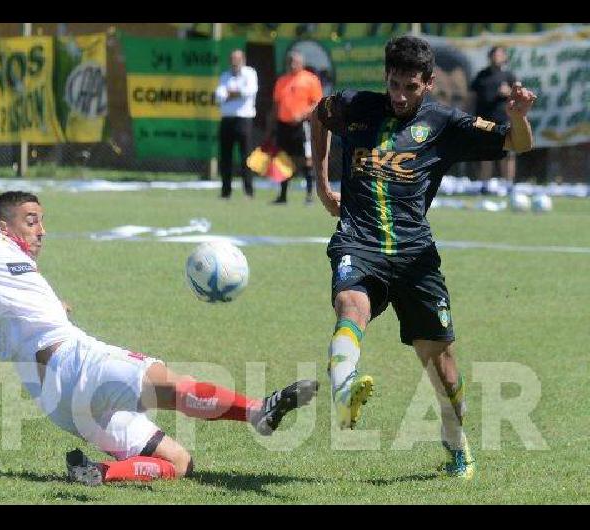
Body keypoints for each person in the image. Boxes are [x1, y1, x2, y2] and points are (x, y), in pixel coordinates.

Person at [0, 191, 318, 486]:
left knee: (179, 463)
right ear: (4, 224)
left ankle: (101, 475)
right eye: (31, 220)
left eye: (42, 221)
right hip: (75, 359)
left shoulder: (11, 272)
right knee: (166, 383)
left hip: (54, 397)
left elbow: (12, 309)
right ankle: (259, 411)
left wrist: (56, 307)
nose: (41, 230)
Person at [311, 36, 535, 479]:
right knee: (350, 304)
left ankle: (456, 445)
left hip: (416, 257)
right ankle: (343, 391)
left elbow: (518, 145)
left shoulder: (445, 123)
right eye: (393, 84)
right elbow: (318, 115)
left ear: (428, 84)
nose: (398, 95)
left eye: (409, 87)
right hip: (360, 241)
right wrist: (322, 184)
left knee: (445, 372)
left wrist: (518, 117)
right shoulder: (355, 106)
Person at [266, 51, 323, 205]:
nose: (292, 64)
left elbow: (317, 103)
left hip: (302, 126)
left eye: (295, 61)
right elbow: (276, 105)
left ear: (302, 63)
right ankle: (283, 196)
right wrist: (272, 126)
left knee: (307, 159)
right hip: (283, 126)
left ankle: (309, 195)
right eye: (290, 61)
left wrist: (303, 114)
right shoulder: (281, 81)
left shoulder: (310, 80)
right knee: (283, 159)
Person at [470, 46, 518, 186]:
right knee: (486, 154)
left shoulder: (509, 76)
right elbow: (471, 97)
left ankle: (508, 186)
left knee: (507, 153)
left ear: (504, 57)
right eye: (494, 55)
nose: (496, 58)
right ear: (489, 57)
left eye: (499, 55)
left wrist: (509, 92)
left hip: (504, 120)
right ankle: (484, 186)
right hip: (484, 120)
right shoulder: (481, 75)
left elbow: (519, 96)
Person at [214, 49, 258, 199]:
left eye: (237, 59)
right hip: (227, 120)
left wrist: (231, 94)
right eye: (232, 59)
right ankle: (226, 192)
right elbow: (219, 97)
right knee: (225, 157)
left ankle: (248, 191)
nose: (235, 62)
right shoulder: (225, 76)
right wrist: (235, 94)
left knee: (246, 157)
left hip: (243, 120)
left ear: (243, 60)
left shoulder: (250, 73)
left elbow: (249, 91)